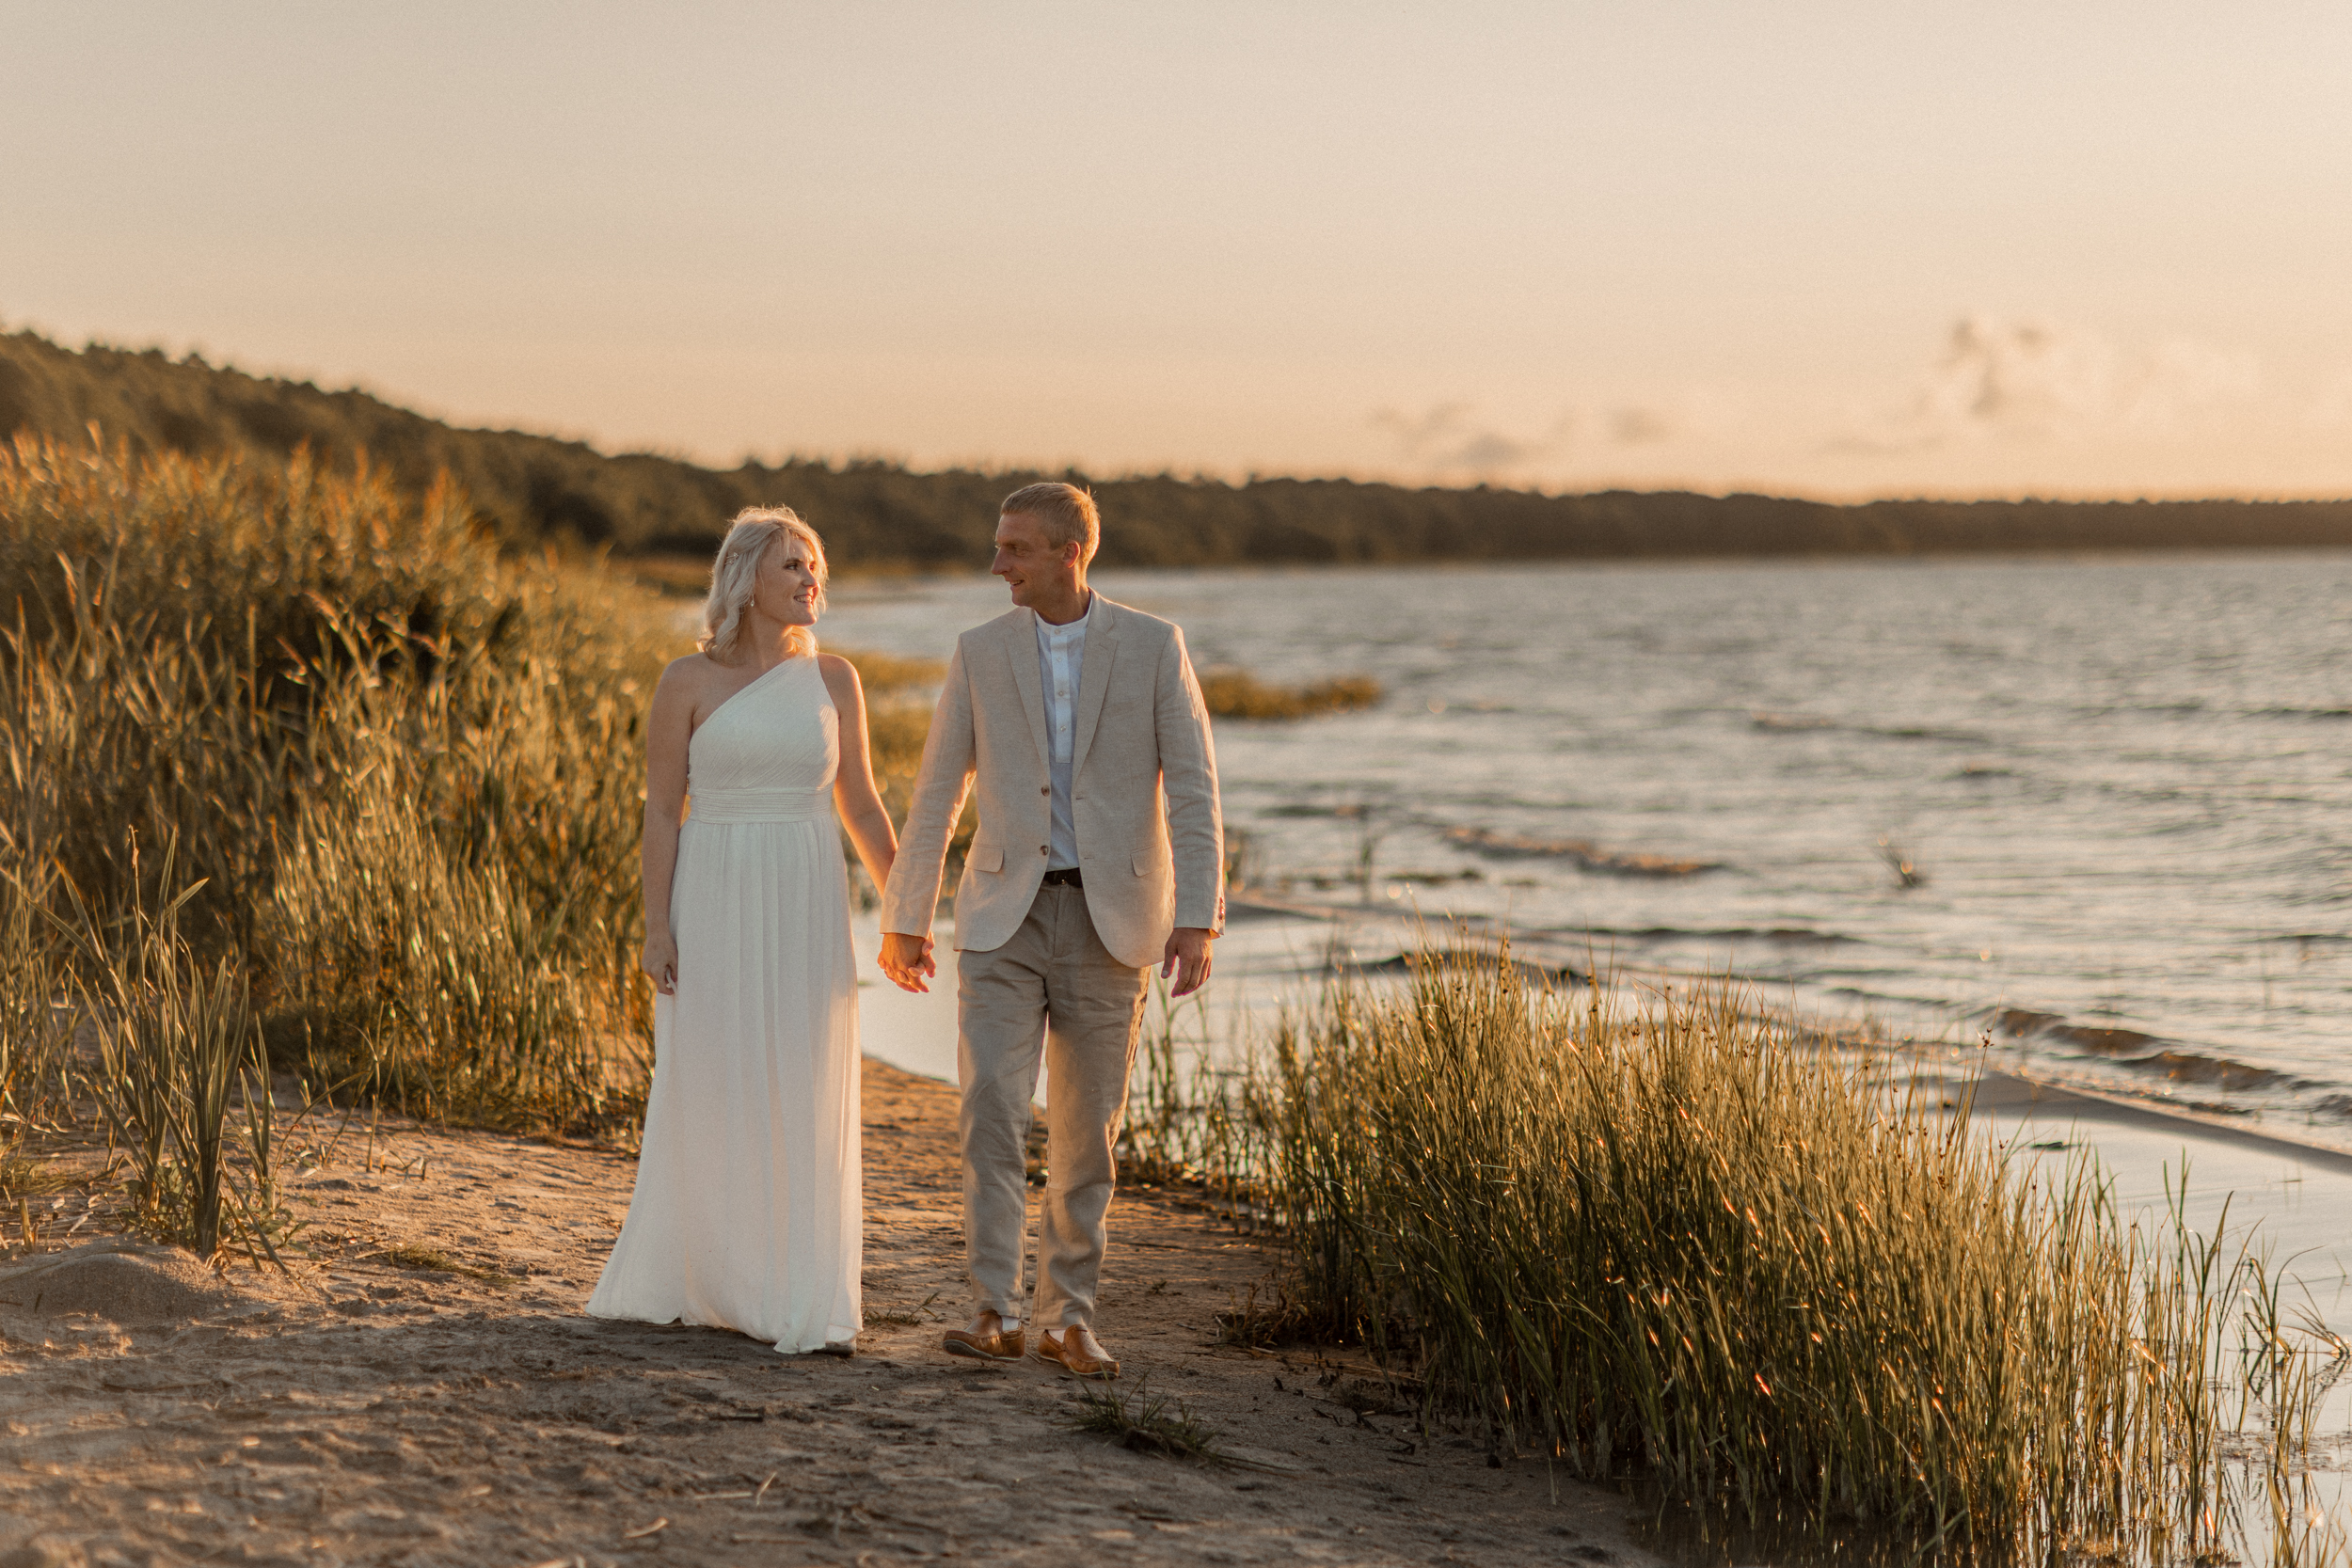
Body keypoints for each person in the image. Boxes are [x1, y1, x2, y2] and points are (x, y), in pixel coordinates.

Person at [878, 482, 1223, 1380]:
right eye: (998, 546)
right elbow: (936, 792)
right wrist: (907, 917)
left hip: (1115, 919)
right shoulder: (979, 651)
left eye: (1015, 548)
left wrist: (1198, 917)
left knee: (1086, 1132)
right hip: (1002, 914)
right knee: (990, 1104)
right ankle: (993, 1309)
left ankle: (1067, 1316)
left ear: (1071, 551)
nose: (998, 563)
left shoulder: (1154, 647)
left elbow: (1193, 787)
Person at [588, 508, 899, 1355]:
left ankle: (793, 1289)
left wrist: (904, 912)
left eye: (815, 567)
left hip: (804, 892)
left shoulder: (836, 680)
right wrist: (657, 926)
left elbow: (863, 806)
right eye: (793, 566)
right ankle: (714, 1278)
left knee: (801, 1073)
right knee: (715, 1072)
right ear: (746, 580)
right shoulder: (684, 681)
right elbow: (661, 809)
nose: (810, 581)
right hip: (714, 887)